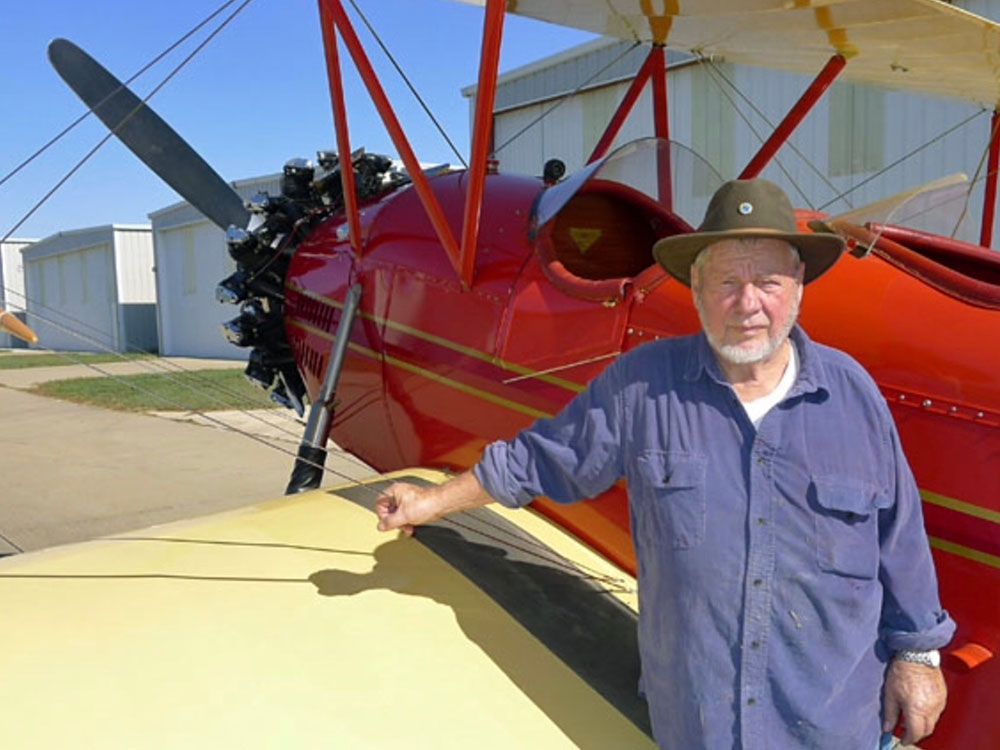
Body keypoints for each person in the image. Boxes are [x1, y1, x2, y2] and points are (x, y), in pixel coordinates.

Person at [375, 178, 955, 749]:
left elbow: (899, 538)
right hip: (699, 726)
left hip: (834, 727)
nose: (749, 304)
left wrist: (918, 657)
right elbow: (538, 461)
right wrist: (431, 501)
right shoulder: (643, 385)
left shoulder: (853, 395)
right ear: (697, 288)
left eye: (768, 281)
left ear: (798, 284)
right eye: (728, 280)